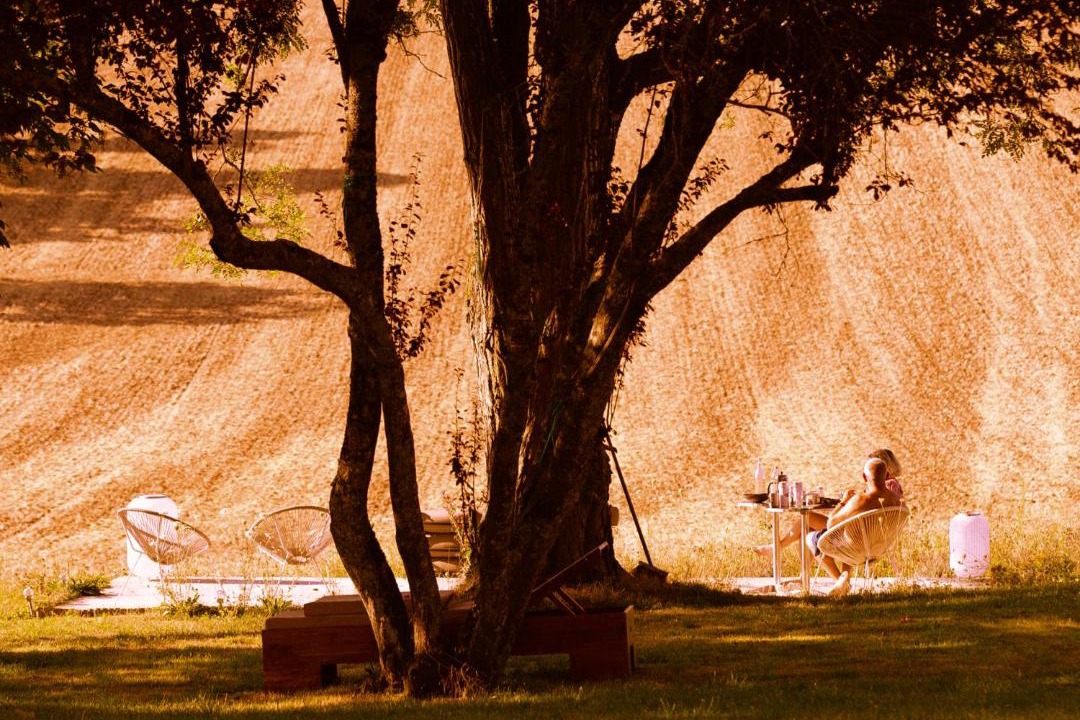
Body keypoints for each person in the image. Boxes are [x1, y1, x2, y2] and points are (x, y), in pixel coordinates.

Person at [753, 449, 905, 568]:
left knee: (808, 524)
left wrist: (845, 502)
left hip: (861, 537)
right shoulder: (890, 489)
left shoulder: (885, 487)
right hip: (871, 536)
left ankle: (779, 548)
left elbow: (835, 521)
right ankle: (785, 555)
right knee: (807, 522)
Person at [806, 456, 903, 595]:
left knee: (810, 537)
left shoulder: (860, 500)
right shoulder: (895, 500)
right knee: (853, 532)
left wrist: (844, 501)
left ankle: (842, 581)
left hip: (855, 551)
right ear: (887, 475)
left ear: (864, 477)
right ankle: (842, 581)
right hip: (879, 548)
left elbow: (830, 523)